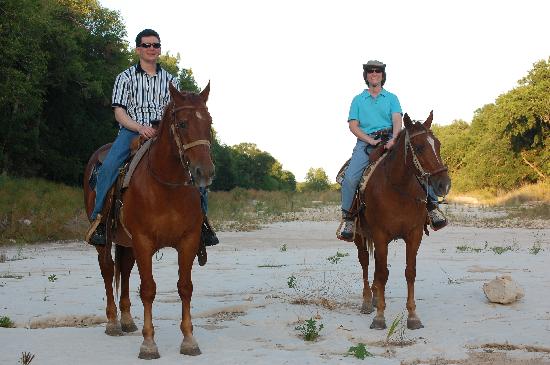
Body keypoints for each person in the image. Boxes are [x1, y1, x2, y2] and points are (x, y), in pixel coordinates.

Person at [85, 28, 219, 249]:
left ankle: (202, 222)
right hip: (131, 131)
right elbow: (119, 112)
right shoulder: (125, 77)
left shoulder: (170, 79)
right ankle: (99, 220)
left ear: (159, 49)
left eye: (155, 45)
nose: (151, 49)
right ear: (138, 49)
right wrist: (139, 127)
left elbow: (179, 112)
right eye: (146, 45)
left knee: (196, 168)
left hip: (164, 132)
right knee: (108, 166)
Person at [339, 60, 446, 240]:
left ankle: (433, 207)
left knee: (417, 165)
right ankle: (348, 218)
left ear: (383, 75)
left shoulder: (391, 98)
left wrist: (395, 139)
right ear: (365, 76)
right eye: (370, 71)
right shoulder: (358, 100)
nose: (374, 74)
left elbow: (397, 119)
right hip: (365, 143)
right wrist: (369, 140)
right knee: (350, 178)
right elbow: (353, 126)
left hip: (391, 138)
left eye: (378, 71)